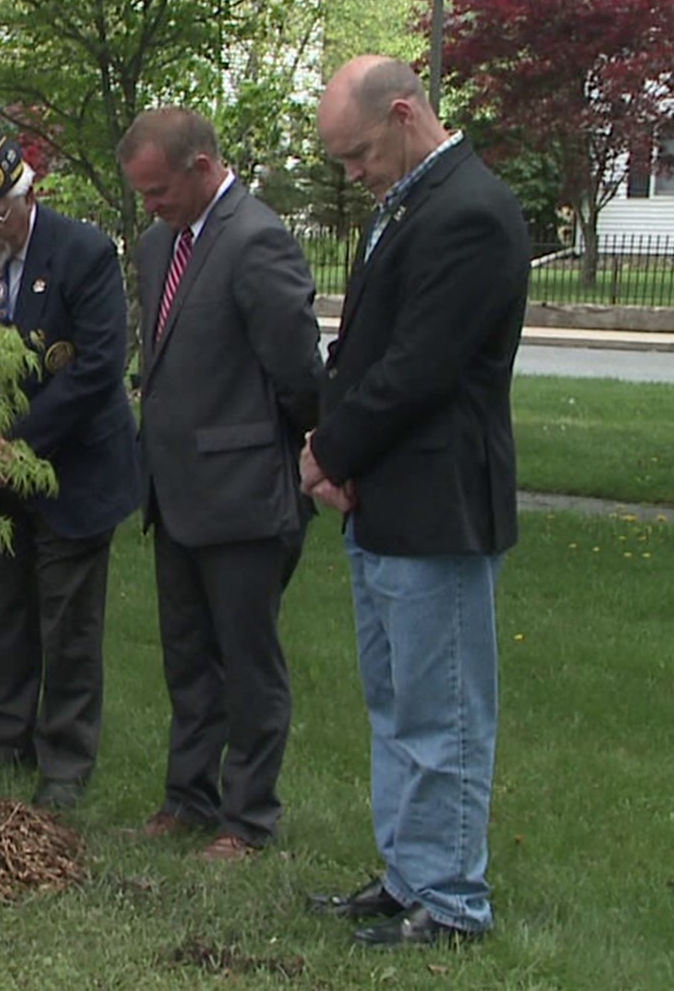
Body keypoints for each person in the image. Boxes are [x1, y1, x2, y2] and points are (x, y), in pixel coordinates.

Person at [302, 56, 530, 947]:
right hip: (385, 497)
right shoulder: (406, 208)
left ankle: (454, 900)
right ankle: (408, 879)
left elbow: (418, 371)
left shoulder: (471, 212)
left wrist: (327, 451)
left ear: (404, 113)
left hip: (439, 502)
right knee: (397, 707)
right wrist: (338, 450)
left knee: (444, 714)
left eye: (359, 153)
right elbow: (363, 351)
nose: (353, 174)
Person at [118, 107, 322, 860]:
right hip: (172, 494)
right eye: (142, 194)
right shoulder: (155, 244)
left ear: (203, 166)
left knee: (247, 663)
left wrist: (294, 461)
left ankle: (248, 818)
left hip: (244, 496)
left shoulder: (257, 239)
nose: (152, 206)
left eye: (160, 190)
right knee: (187, 658)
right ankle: (188, 797)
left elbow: (300, 374)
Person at [0, 131, 141, 810]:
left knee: (68, 622)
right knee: (1, 612)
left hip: (72, 464)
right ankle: (3, 738)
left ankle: (66, 761)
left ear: (28, 196)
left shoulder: (85, 253)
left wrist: (18, 439)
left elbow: (101, 367)